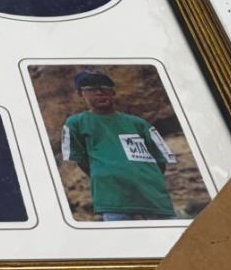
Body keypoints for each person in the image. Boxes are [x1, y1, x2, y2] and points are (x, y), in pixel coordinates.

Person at [60, 70, 177, 221]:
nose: (100, 93)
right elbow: (80, 159)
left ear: (113, 92)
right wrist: (106, 175)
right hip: (114, 200)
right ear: (80, 94)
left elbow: (160, 159)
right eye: (91, 89)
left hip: (154, 200)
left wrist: (149, 179)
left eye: (105, 87)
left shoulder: (139, 123)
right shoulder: (76, 123)